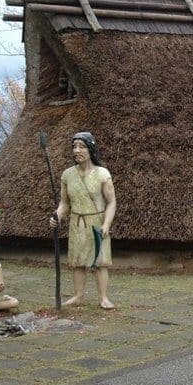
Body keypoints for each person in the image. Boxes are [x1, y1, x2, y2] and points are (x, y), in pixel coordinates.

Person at [50, 132, 117, 309]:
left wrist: (106, 224)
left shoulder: (103, 174)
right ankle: (79, 296)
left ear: (91, 148)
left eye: (82, 146)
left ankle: (103, 297)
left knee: (100, 262)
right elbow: (65, 203)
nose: (77, 150)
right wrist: (57, 216)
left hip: (97, 223)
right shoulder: (67, 175)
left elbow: (111, 202)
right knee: (78, 262)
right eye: (74, 146)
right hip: (77, 223)